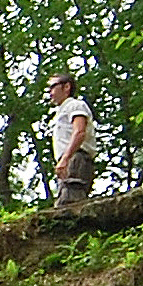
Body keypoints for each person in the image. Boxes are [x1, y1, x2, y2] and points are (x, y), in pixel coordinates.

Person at [47, 72, 96, 206]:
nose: (50, 92)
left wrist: (65, 158)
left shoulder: (75, 105)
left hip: (76, 158)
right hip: (70, 159)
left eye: (52, 87)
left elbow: (79, 132)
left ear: (66, 87)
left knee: (70, 204)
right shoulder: (62, 110)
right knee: (66, 201)